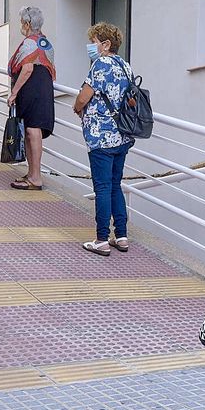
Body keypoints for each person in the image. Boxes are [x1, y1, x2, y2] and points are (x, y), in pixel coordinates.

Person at [72, 22, 134, 255]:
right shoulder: (125, 66)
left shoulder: (101, 64)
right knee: (115, 184)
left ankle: (101, 239)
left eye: (95, 41)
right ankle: (122, 235)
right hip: (122, 136)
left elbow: (84, 97)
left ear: (106, 44)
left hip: (101, 136)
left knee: (102, 186)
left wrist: (78, 107)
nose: (91, 46)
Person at [7, 6, 56, 190]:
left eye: (22, 22)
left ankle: (35, 177)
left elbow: (27, 68)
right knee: (30, 131)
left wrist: (14, 93)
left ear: (27, 24)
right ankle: (32, 173)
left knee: (32, 131)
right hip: (43, 87)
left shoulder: (30, 42)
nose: (21, 25)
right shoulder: (45, 42)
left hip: (32, 88)